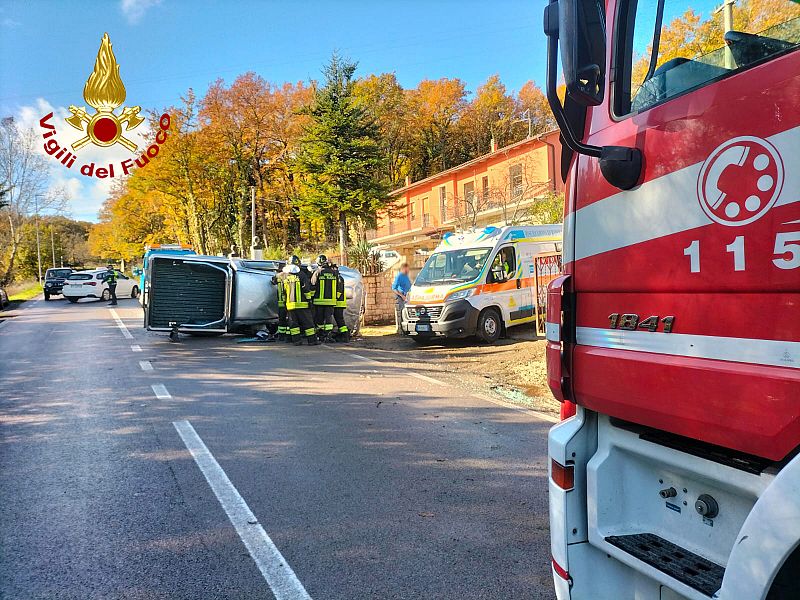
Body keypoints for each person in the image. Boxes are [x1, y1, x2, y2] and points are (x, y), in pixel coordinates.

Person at [281, 255, 318, 346]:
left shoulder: (285, 276)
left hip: (290, 305)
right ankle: (312, 341)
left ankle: (296, 341)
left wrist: (285, 303)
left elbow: (283, 291)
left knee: (293, 324)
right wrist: (309, 300)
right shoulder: (301, 275)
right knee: (308, 323)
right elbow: (306, 289)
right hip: (302, 304)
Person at [311, 254, 337, 342]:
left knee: (320, 320)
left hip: (319, 301)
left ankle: (321, 335)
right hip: (331, 301)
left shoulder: (317, 273)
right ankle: (328, 335)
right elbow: (338, 286)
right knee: (329, 319)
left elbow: (313, 286)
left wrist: (310, 299)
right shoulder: (334, 273)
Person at [331, 263, 350, 343]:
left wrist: (335, 298)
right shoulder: (337, 277)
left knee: (339, 319)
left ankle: (345, 336)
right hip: (338, 302)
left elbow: (339, 291)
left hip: (339, 302)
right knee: (339, 319)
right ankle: (344, 335)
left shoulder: (339, 278)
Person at [391, 262, 412, 334]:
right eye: (407, 269)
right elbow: (394, 288)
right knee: (401, 313)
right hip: (401, 297)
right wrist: (402, 296)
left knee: (406, 313)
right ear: (404, 268)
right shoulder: (399, 276)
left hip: (406, 297)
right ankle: (401, 330)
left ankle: (406, 329)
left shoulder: (406, 276)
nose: (408, 270)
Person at [271, 268, 289, 342]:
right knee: (289, 319)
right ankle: (288, 336)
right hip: (288, 302)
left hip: (281, 302)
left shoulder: (278, 276)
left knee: (282, 320)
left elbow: (273, 282)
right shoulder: (290, 275)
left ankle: (281, 336)